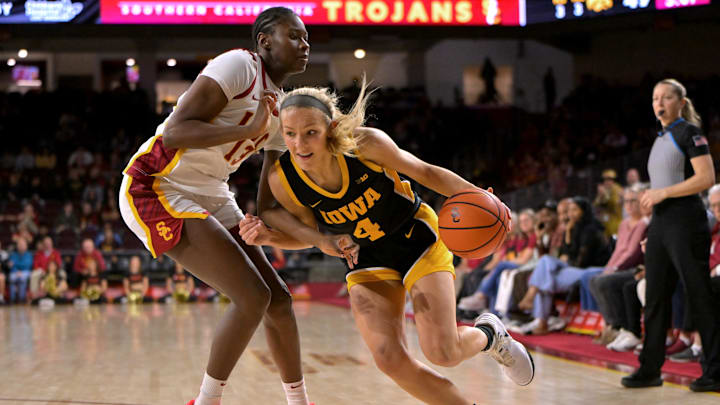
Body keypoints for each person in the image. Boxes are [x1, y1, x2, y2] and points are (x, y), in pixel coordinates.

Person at [238, 81, 535, 405]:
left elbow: (426, 172)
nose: (299, 143)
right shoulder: (283, 181)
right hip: (365, 259)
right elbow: (312, 238)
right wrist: (270, 237)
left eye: (310, 132)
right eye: (290, 133)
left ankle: (491, 336)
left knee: (443, 351)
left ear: (331, 127)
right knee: (387, 357)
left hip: (414, 238)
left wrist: (481, 198)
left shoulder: (364, 145)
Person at [118, 7, 312, 405]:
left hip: (212, 190)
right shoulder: (239, 64)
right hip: (157, 184)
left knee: (278, 300)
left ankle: (299, 402)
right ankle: (205, 402)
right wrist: (247, 129)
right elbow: (174, 132)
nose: (304, 44)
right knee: (252, 298)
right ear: (264, 41)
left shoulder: (283, 107)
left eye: (307, 38)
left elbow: (268, 198)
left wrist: (302, 231)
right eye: (294, 36)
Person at [621, 78, 720, 392]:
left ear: (680, 102)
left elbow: (706, 177)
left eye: (665, 97)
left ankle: (715, 371)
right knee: (654, 298)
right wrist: (658, 230)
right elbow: (663, 185)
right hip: (663, 224)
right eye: (654, 98)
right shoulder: (661, 137)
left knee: (699, 294)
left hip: (686, 220)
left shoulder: (689, 132)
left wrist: (662, 194)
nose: (658, 103)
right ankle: (649, 369)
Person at [516, 197, 610, 335]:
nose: (570, 214)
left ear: (584, 211)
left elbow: (581, 262)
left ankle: (535, 305)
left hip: (588, 270)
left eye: (574, 210)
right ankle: (541, 321)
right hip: (573, 269)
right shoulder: (572, 229)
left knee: (546, 266)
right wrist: (567, 234)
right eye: (569, 211)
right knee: (545, 272)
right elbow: (564, 254)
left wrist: (565, 258)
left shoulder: (591, 230)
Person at [8, 238, 33, 304]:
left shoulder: (29, 255)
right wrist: (16, 270)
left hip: (25, 272)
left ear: (26, 246)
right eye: (20, 244)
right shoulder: (13, 255)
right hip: (15, 272)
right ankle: (12, 299)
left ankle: (21, 298)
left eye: (23, 244)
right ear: (17, 246)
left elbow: (27, 265)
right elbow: (11, 266)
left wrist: (17, 266)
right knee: (12, 278)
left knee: (22, 278)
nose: (21, 246)